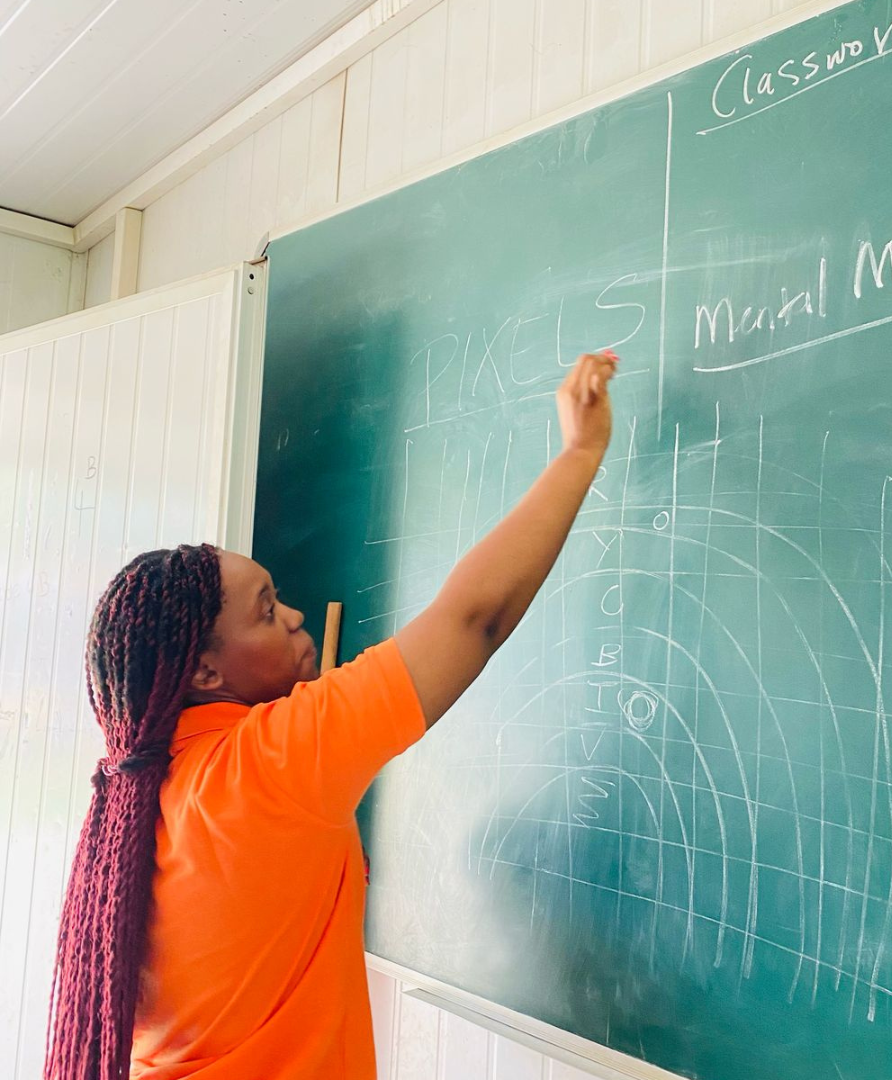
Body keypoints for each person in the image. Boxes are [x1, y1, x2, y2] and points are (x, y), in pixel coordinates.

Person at [43, 351, 618, 1080]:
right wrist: (580, 451)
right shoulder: (266, 765)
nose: (294, 616)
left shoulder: (136, 803)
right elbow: (474, 619)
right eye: (266, 611)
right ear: (205, 671)